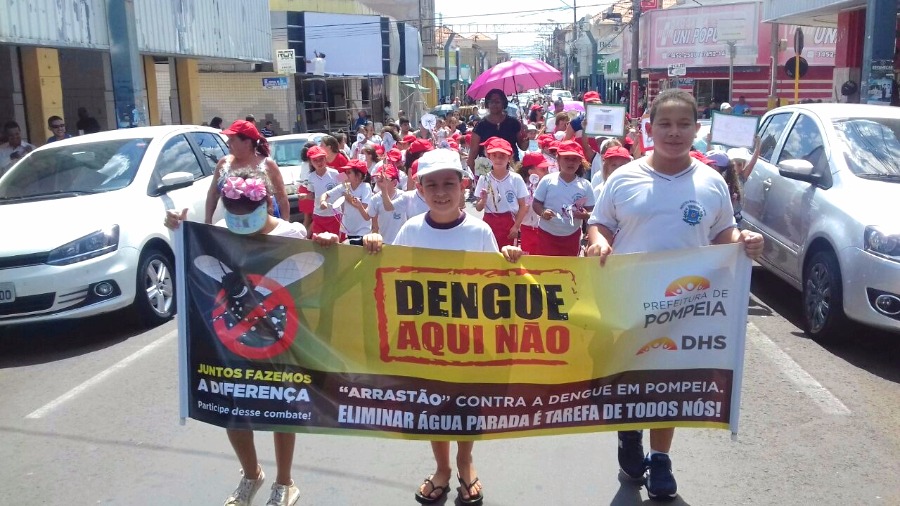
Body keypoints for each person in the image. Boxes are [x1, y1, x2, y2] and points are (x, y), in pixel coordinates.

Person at [585, 88, 764, 501]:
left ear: (697, 130)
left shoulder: (711, 182)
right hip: (627, 303)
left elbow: (724, 232)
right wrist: (598, 242)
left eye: (683, 124)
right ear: (649, 129)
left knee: (672, 384)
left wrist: (744, 239)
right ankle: (629, 434)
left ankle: (661, 460)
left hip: (687, 305)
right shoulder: (623, 178)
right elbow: (600, 223)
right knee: (631, 381)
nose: (674, 132)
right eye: (664, 124)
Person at [164, 166, 338, 506]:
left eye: (250, 214)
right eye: (234, 214)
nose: (241, 221)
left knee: (280, 408)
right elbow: (192, 268)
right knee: (233, 406)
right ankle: (250, 474)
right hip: (231, 342)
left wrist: (329, 244)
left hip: (281, 339)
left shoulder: (291, 233)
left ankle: (284, 482)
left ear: (268, 202)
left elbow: (322, 273)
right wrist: (178, 232)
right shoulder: (215, 234)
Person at [361, 149, 522, 506]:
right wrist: (374, 245)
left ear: (463, 185)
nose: (441, 191)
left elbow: (497, 283)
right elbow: (389, 273)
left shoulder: (479, 231)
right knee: (433, 406)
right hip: (425, 341)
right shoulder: (411, 229)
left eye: (449, 183)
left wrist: (509, 258)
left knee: (466, 405)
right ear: (419, 188)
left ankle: (465, 463)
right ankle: (442, 469)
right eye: (431, 184)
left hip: (469, 339)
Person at [204, 120, 290, 225]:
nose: (227, 143)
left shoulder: (267, 164)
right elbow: (213, 193)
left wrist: (285, 225)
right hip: (234, 224)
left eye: (232, 139)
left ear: (247, 142)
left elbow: (281, 197)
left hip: (265, 226)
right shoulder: (223, 163)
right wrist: (208, 221)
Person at [530, 140, 595, 256]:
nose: (570, 162)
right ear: (558, 159)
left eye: (574, 159)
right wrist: (543, 212)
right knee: (545, 268)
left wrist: (585, 215)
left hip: (572, 236)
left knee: (568, 270)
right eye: (566, 158)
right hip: (546, 234)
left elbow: (593, 212)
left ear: (580, 161)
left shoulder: (585, 185)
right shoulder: (547, 180)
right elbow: (536, 204)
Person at [473, 137, 529, 248]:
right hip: (489, 220)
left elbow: (523, 206)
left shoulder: (516, 178)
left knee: (507, 256)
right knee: (489, 253)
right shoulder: (484, 178)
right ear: (489, 156)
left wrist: (516, 226)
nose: (498, 159)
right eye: (494, 155)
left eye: (502, 156)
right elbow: (478, 208)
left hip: (509, 221)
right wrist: (483, 200)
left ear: (509, 157)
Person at [467, 89, 528, 174]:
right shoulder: (480, 126)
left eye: (497, 101)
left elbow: (523, 147)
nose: (494, 104)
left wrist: (525, 138)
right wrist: (471, 175)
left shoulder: (514, 123)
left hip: (511, 167)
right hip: (486, 170)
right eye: (491, 102)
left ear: (504, 103)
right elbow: (473, 153)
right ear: (487, 104)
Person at [319, 159, 372, 244]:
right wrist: (323, 202)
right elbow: (326, 194)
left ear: (358, 175)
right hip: (348, 229)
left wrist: (348, 198)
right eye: (346, 172)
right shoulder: (344, 186)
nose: (346, 174)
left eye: (349, 172)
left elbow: (364, 207)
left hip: (362, 230)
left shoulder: (366, 187)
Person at [303, 145, 343, 237]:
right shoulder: (310, 177)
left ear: (326, 158)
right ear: (310, 162)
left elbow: (346, 186)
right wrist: (305, 196)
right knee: (318, 241)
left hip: (335, 215)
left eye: (321, 159)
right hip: (318, 215)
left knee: (335, 241)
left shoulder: (335, 173)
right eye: (315, 160)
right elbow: (313, 195)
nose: (319, 162)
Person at [516, 151, 550, 255]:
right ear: (531, 172)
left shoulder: (546, 186)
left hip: (544, 229)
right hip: (528, 229)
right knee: (529, 259)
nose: (547, 172)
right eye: (543, 169)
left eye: (547, 169)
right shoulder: (522, 188)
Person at [367, 163, 406, 244]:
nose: (380, 181)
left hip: (401, 242)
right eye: (378, 178)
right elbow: (374, 225)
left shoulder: (403, 197)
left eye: (385, 179)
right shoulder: (375, 199)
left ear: (394, 183)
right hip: (383, 242)